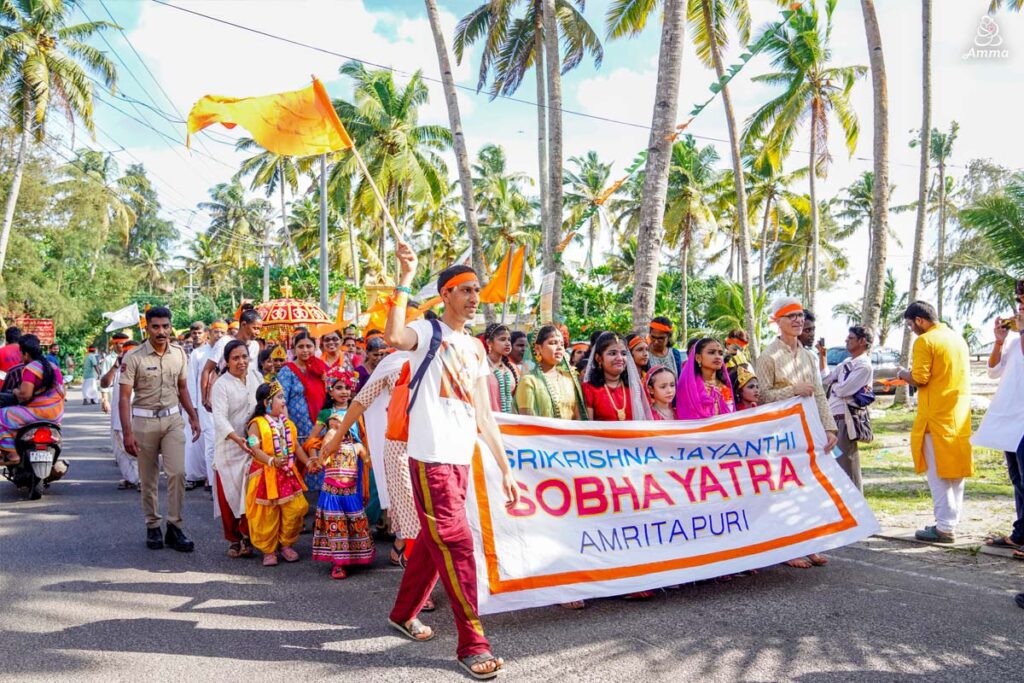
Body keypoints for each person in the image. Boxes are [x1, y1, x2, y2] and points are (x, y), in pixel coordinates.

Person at [383, 246, 519, 680]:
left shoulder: (477, 348)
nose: (475, 296)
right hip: (431, 458)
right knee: (457, 544)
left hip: (461, 459)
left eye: (477, 289)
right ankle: (472, 642)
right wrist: (405, 277)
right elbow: (393, 337)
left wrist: (505, 467)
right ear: (445, 295)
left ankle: (404, 613)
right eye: (465, 290)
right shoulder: (427, 331)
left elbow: (484, 415)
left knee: (432, 539)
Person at [756, 297, 837, 569]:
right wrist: (792, 391)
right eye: (790, 316)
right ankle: (787, 548)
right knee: (785, 490)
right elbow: (762, 396)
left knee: (810, 487)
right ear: (778, 322)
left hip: (809, 428)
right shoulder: (769, 356)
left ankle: (811, 543)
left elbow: (820, 394)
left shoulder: (808, 356)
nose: (798, 320)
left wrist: (829, 427)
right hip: (781, 434)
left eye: (800, 315)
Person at [118, 307, 201, 552]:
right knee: (149, 478)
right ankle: (153, 525)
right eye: (156, 327)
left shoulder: (179, 354)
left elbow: (183, 388)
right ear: (147, 328)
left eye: (165, 326)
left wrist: (194, 416)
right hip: (144, 423)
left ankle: (174, 527)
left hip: (173, 420)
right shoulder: (133, 357)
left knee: (177, 473)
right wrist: (127, 433)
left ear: (170, 327)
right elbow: (124, 398)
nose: (161, 331)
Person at [895, 301, 973, 543]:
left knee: (938, 477)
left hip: (935, 418)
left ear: (919, 320)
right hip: (957, 417)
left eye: (910, 325)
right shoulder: (957, 338)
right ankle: (950, 522)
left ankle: (944, 527)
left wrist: (902, 374)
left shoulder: (926, 341)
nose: (912, 330)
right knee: (955, 475)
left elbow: (920, 378)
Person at [310, 368, 375, 579]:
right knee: (335, 519)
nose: (344, 391)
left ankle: (355, 556)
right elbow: (314, 442)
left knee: (354, 516)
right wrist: (315, 458)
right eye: (339, 387)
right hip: (332, 481)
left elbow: (364, 447)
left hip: (353, 477)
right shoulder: (326, 419)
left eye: (348, 387)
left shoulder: (358, 412)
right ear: (330, 391)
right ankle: (338, 561)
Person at [245, 382, 314, 566]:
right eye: (280, 397)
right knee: (268, 514)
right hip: (264, 476)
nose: (284, 401)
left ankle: (286, 544)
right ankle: (269, 550)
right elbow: (253, 448)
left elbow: (296, 446)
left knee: (295, 509)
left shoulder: (288, 424)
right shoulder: (256, 424)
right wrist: (271, 460)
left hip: (287, 474)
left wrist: (308, 462)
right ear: (267, 402)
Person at [976, 299, 1024, 557]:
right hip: (1011, 421)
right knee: (1017, 480)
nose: (1018, 312)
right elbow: (993, 370)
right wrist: (998, 340)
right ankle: (1020, 534)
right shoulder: (1015, 342)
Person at [210, 340, 257, 558]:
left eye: (244, 357)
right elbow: (218, 417)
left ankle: (250, 537)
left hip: (254, 445)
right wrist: (237, 439)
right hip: (230, 447)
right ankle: (234, 540)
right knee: (230, 494)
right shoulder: (221, 384)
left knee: (250, 493)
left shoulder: (256, 378)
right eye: (235, 358)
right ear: (227, 362)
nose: (241, 362)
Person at [822, 326, 875, 491]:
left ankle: (856, 501)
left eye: (851, 338)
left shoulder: (864, 366)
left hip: (845, 419)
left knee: (847, 462)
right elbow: (826, 379)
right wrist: (822, 356)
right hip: (833, 418)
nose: (846, 340)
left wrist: (836, 384)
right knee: (834, 461)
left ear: (862, 341)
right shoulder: (847, 363)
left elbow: (844, 390)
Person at [0, 335, 65, 466]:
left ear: (26, 354)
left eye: (21, 353)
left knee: (2, 415)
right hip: (56, 413)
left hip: (37, 412)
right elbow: (63, 392)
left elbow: (25, 395)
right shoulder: (52, 366)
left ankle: (12, 454)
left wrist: (15, 391)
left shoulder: (31, 368)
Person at [277, 331, 329, 491]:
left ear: (315, 347)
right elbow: (279, 398)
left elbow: (331, 393)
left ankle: (324, 500)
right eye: (301, 347)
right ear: (293, 350)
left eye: (309, 346)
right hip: (298, 425)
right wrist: (285, 425)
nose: (305, 350)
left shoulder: (321, 367)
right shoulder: (286, 370)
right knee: (299, 462)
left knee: (322, 461)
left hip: (320, 424)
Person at [515, 325, 587, 421]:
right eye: (553, 343)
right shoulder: (529, 381)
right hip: (540, 435)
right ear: (538, 348)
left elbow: (578, 417)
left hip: (570, 435)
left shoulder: (569, 378)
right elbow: (527, 420)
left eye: (561, 344)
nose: (559, 348)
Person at [201, 310, 263, 413]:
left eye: (259, 329)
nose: (258, 332)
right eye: (255, 328)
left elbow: (254, 373)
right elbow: (207, 370)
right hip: (225, 397)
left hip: (248, 400)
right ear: (243, 325)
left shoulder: (255, 346)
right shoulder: (224, 342)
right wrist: (205, 399)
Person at [582, 332, 651, 422]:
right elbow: (588, 428)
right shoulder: (588, 389)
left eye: (623, 354)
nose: (620, 358)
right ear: (599, 358)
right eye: (613, 353)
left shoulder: (635, 387)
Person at [101, 338, 140, 490]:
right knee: (119, 450)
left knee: (137, 449)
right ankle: (131, 478)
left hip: (137, 416)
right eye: (126, 352)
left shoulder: (143, 367)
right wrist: (115, 366)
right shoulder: (118, 367)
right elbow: (104, 383)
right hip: (118, 416)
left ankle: (143, 480)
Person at [676, 338, 736, 419]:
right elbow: (686, 416)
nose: (718, 357)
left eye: (721, 353)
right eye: (711, 352)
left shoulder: (725, 385)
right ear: (698, 358)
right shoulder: (689, 387)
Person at [185, 322, 211, 491]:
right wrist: (192, 408)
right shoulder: (196, 354)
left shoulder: (217, 351)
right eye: (194, 333)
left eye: (199, 332)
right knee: (194, 440)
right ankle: (193, 476)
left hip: (213, 404)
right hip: (197, 404)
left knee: (211, 442)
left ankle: (210, 477)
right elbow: (191, 382)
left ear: (206, 334)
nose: (196, 335)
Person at [483, 323, 519, 414]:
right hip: (486, 419)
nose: (507, 343)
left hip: (508, 423)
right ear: (489, 342)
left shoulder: (512, 368)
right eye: (502, 339)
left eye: (509, 340)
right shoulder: (481, 366)